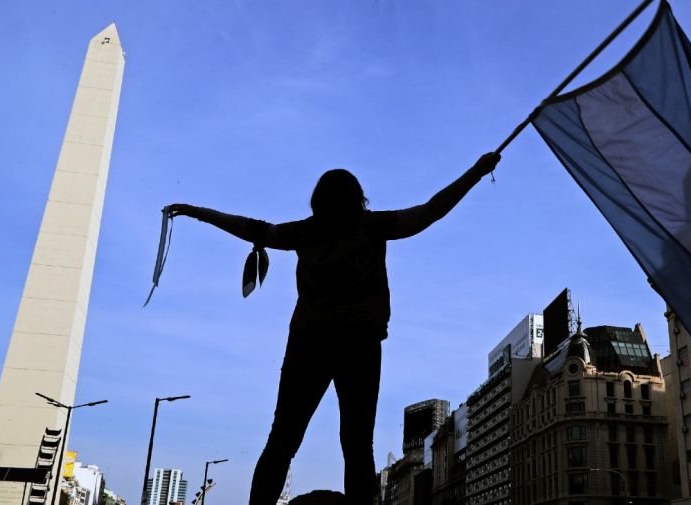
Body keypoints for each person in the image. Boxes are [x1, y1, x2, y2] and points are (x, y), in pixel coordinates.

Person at [168, 152, 500, 505]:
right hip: (361, 344)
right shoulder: (373, 227)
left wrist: (195, 211)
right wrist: (477, 172)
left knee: (282, 441)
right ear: (359, 198)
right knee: (357, 446)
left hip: (308, 343)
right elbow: (431, 210)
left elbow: (250, 228)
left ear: (318, 201)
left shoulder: (305, 233)